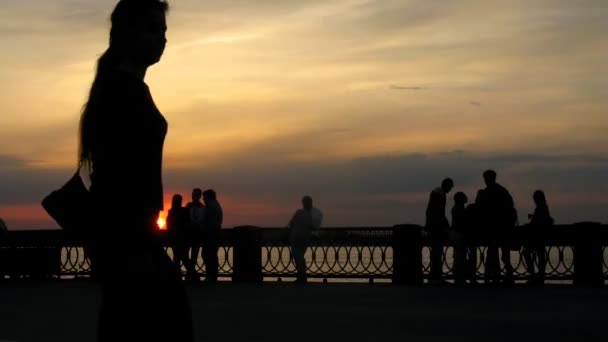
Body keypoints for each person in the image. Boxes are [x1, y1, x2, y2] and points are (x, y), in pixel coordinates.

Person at [77, 1, 192, 340]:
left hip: (133, 240)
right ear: (127, 34)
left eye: (165, 31)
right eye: (154, 29)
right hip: (131, 240)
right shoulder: (120, 92)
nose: (163, 39)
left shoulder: (122, 87)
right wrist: (131, 248)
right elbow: (115, 176)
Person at [476, 170, 517, 286]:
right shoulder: (503, 191)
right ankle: (507, 276)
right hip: (504, 229)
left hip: (493, 229)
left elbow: (480, 210)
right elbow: (511, 208)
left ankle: (492, 277)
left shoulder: (485, 193)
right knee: (504, 255)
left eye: (486, 178)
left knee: (492, 254)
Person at [288, 196, 323, 283]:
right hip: (303, 238)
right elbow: (315, 227)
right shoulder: (314, 213)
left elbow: (291, 223)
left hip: (297, 238)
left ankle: (301, 277)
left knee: (298, 257)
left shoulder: (300, 213)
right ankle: (302, 277)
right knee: (300, 258)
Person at [425, 178, 453, 284]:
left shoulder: (437, 193)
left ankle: (434, 277)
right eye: (450, 187)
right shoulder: (439, 195)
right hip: (436, 228)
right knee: (437, 252)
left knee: (436, 253)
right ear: (446, 185)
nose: (450, 190)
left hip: (434, 227)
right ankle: (436, 277)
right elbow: (439, 212)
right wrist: (445, 224)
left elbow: (433, 211)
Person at [523, 190, 553, 285]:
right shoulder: (544, 208)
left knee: (527, 253)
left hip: (537, 238)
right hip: (541, 237)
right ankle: (539, 276)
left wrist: (530, 223)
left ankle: (534, 276)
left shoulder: (540, 209)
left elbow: (535, 224)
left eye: (536, 198)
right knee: (540, 256)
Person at [201, 189, 223, 283]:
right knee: (212, 255)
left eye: (204, 197)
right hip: (215, 233)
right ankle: (212, 276)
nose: (203, 199)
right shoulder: (216, 205)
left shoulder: (210, 207)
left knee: (207, 255)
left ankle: (210, 276)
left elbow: (206, 220)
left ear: (208, 197)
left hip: (211, 234)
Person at [166, 194, 190, 275]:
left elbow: (168, 225)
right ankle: (193, 276)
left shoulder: (171, 211)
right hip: (183, 238)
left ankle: (178, 276)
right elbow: (187, 223)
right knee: (183, 258)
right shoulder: (185, 211)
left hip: (175, 238)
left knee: (177, 258)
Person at [185, 188, 205, 281]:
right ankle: (191, 272)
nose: (194, 196)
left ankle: (191, 274)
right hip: (189, 234)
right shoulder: (188, 206)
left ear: (199, 196)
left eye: (196, 195)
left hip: (196, 235)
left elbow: (201, 221)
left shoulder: (202, 207)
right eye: (193, 194)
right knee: (185, 254)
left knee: (194, 255)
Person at [450, 191, 468, 285]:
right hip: (459, 234)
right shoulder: (460, 209)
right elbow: (462, 223)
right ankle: (460, 278)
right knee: (460, 256)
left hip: (455, 233)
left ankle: (458, 277)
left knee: (457, 256)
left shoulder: (455, 208)